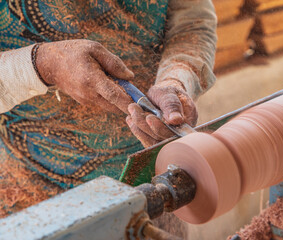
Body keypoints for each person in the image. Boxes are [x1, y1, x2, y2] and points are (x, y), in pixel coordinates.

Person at [0, 0, 217, 217]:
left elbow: (193, 24)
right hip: (28, 183)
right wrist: (42, 65)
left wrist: (176, 80)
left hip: (155, 180)